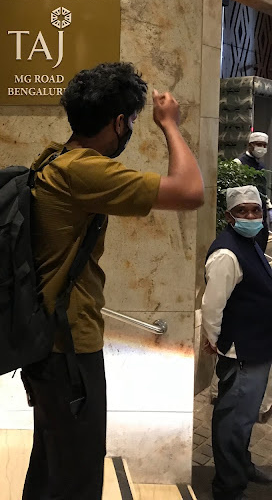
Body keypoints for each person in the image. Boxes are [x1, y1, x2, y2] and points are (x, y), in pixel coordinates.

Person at [21, 62, 204, 500]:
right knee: (77, 478)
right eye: (133, 120)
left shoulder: (54, 156)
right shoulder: (84, 171)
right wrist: (170, 125)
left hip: (49, 343)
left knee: (52, 469)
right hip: (69, 345)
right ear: (119, 122)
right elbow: (190, 191)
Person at [202, 185, 272, 500]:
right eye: (241, 211)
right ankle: (228, 488)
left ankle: (242, 466)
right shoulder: (226, 253)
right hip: (240, 350)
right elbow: (212, 305)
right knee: (233, 421)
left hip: (257, 345)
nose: (250, 216)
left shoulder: (249, 242)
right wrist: (212, 339)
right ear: (229, 216)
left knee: (243, 418)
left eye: (254, 210)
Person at [234, 131, 271, 252]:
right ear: (250, 145)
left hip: (261, 214)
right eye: (259, 144)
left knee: (261, 245)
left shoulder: (261, 165)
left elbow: (262, 189)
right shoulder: (238, 164)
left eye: (265, 145)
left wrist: (268, 206)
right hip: (247, 217)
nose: (262, 148)